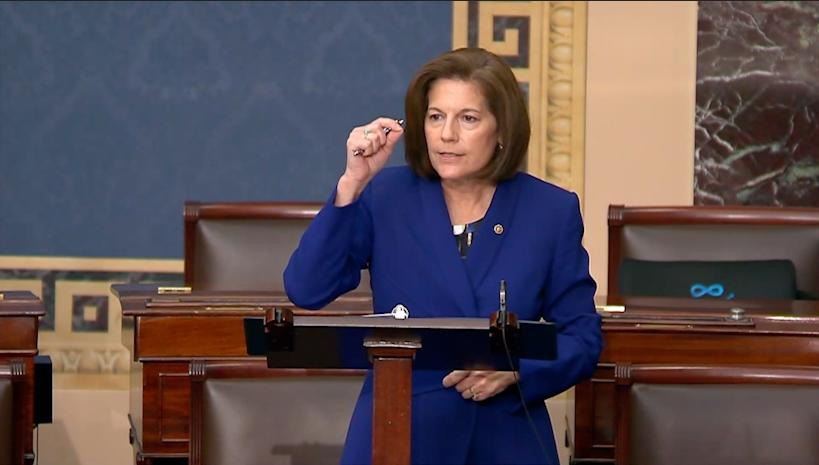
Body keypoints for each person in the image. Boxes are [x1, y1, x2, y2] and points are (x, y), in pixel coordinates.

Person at [284, 47, 602, 465]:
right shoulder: (385, 196)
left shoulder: (549, 211)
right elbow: (307, 289)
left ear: (502, 129)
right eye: (436, 117)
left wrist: (518, 370)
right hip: (401, 430)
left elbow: (581, 335)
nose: (446, 135)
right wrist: (351, 185)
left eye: (467, 118)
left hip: (504, 436)